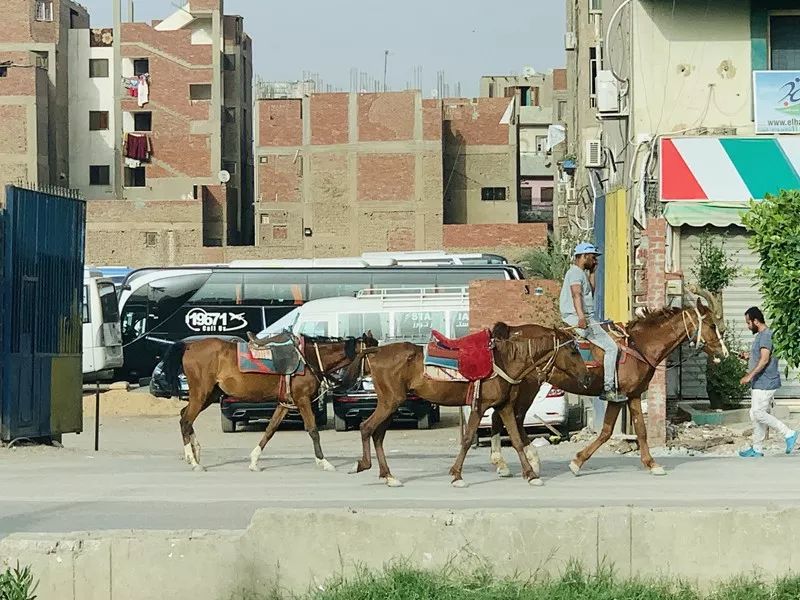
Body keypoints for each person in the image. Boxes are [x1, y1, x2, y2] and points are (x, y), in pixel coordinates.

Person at [559, 242, 618, 402]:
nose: (595, 261)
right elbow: (576, 295)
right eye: (593, 257)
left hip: (585, 317)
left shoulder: (580, 273)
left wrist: (593, 273)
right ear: (584, 256)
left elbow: (588, 292)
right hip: (578, 317)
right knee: (612, 347)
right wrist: (581, 317)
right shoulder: (575, 273)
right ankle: (608, 387)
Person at [738, 307, 797, 457]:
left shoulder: (766, 336)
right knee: (755, 414)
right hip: (760, 382)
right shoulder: (760, 336)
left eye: (748, 322)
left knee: (758, 412)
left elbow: (764, 360)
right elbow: (760, 356)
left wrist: (749, 376)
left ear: (756, 321)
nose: (748, 326)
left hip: (766, 381)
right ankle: (757, 449)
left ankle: (789, 433)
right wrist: (748, 356)